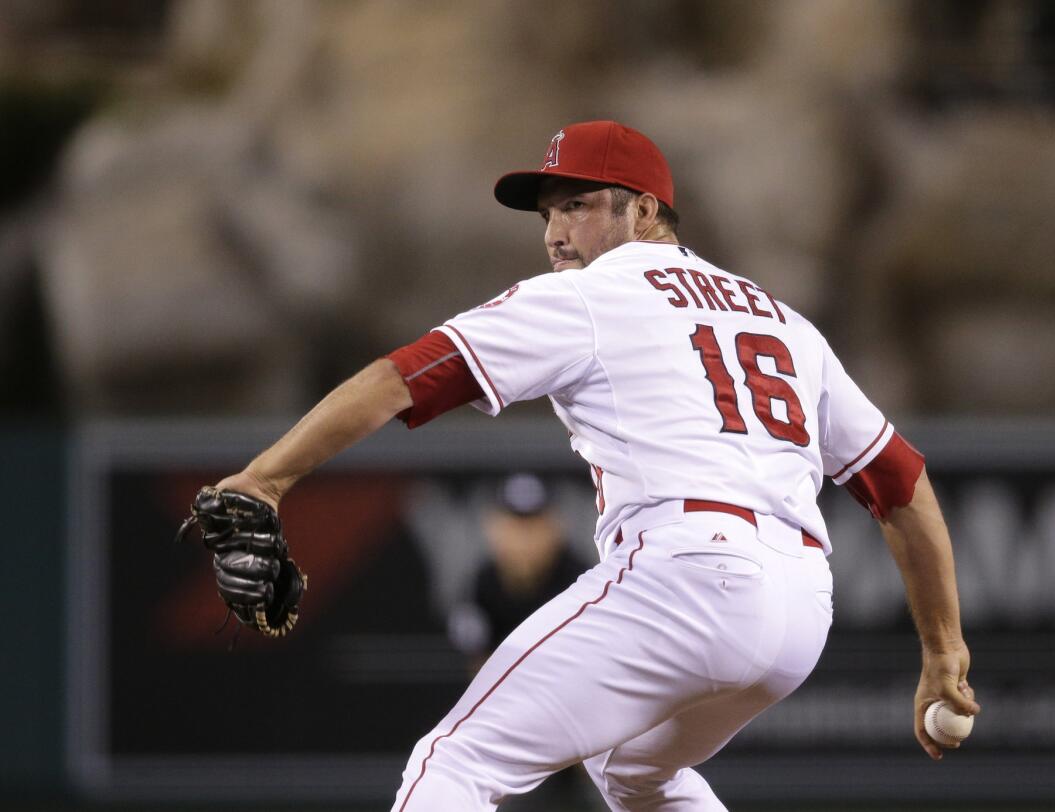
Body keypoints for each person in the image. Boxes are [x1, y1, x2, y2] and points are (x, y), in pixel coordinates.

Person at [211, 120, 980, 811]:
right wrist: (944, 650)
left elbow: (400, 378)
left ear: (644, 212)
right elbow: (901, 484)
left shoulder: (593, 295)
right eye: (547, 212)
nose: (554, 232)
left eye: (578, 204)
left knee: (454, 760)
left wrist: (266, 478)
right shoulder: (782, 321)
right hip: (800, 609)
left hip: (684, 574)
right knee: (633, 772)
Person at [448, 472, 590, 668]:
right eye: (514, 527)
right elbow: (474, 670)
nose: (523, 541)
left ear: (556, 528)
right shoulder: (482, 586)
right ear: (493, 529)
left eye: (533, 528)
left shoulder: (582, 584)